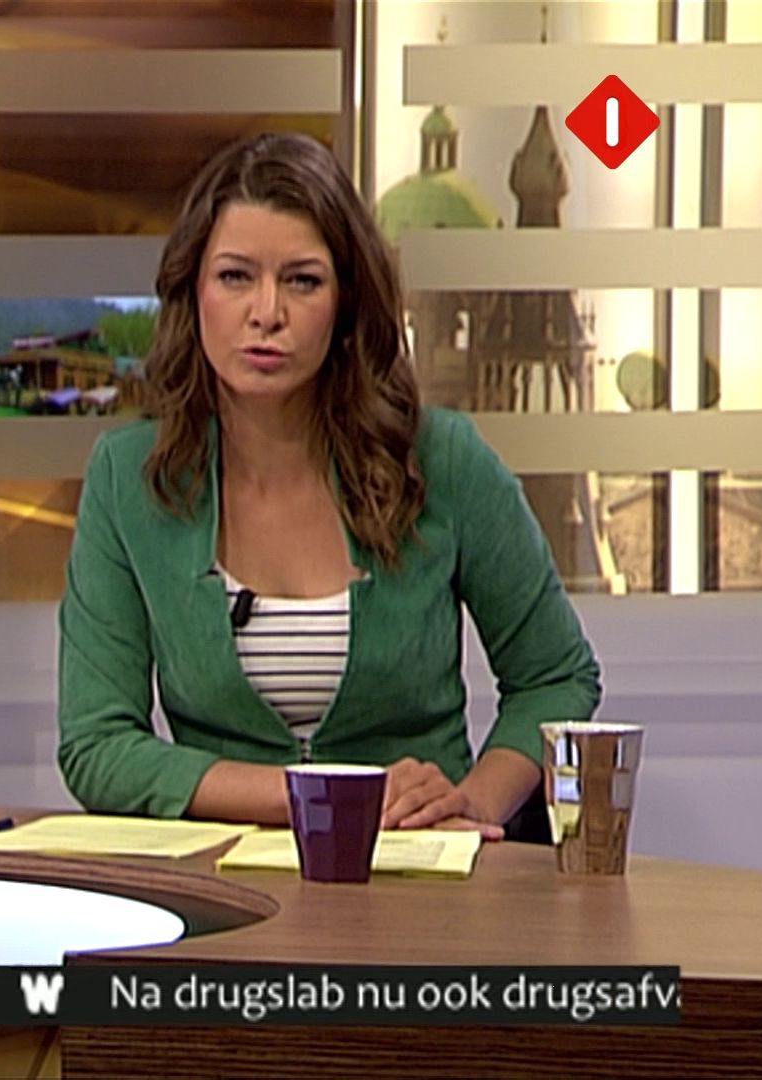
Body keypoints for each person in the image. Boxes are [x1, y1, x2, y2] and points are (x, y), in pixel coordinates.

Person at [56, 133, 600, 841]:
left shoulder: (442, 460)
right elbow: (97, 747)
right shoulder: (130, 479)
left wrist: (474, 805)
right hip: (227, 877)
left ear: (346, 301)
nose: (267, 312)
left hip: (417, 874)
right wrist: (318, 798)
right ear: (192, 292)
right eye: (235, 276)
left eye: (303, 281)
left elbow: (556, 678)